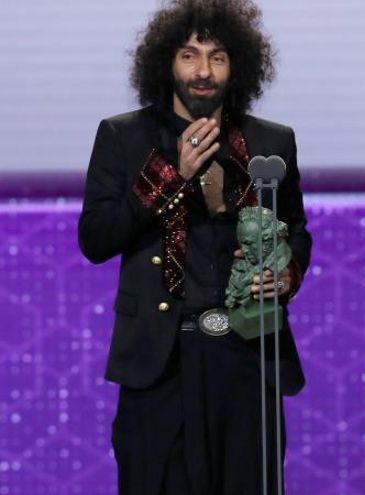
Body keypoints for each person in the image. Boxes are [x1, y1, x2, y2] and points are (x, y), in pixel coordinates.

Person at [77, 1, 311, 493]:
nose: (203, 71)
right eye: (189, 55)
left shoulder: (272, 141)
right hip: (161, 363)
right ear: (167, 62)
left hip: (247, 358)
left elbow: (296, 231)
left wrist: (286, 277)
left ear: (238, 65)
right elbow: (95, 238)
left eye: (218, 56)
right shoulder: (124, 136)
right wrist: (172, 177)